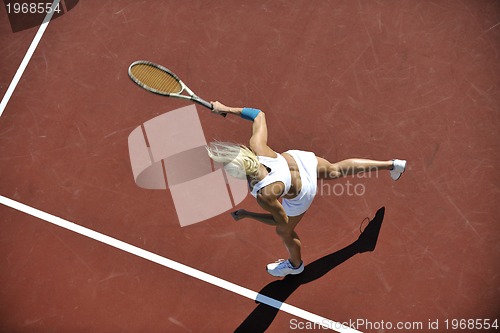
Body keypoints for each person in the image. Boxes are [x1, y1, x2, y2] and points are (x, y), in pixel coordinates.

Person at [206, 102, 406, 277]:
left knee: (284, 231)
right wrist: (226, 109)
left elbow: (280, 220)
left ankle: (295, 265)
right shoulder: (256, 147)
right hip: (300, 161)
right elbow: (258, 114)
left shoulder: (264, 194)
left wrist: (248, 215)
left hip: (302, 192)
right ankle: (393, 164)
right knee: (335, 169)